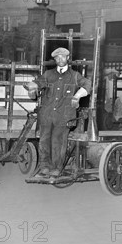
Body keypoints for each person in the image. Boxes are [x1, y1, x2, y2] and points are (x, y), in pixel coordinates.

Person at [26, 47, 91, 180]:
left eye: (63, 57)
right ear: (55, 59)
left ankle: (56, 168)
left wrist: (77, 95)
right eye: (57, 57)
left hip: (64, 116)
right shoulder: (48, 74)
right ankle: (44, 167)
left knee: (58, 142)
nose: (60, 59)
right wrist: (32, 89)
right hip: (46, 115)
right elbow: (36, 85)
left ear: (68, 58)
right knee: (44, 141)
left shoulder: (75, 76)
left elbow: (88, 85)